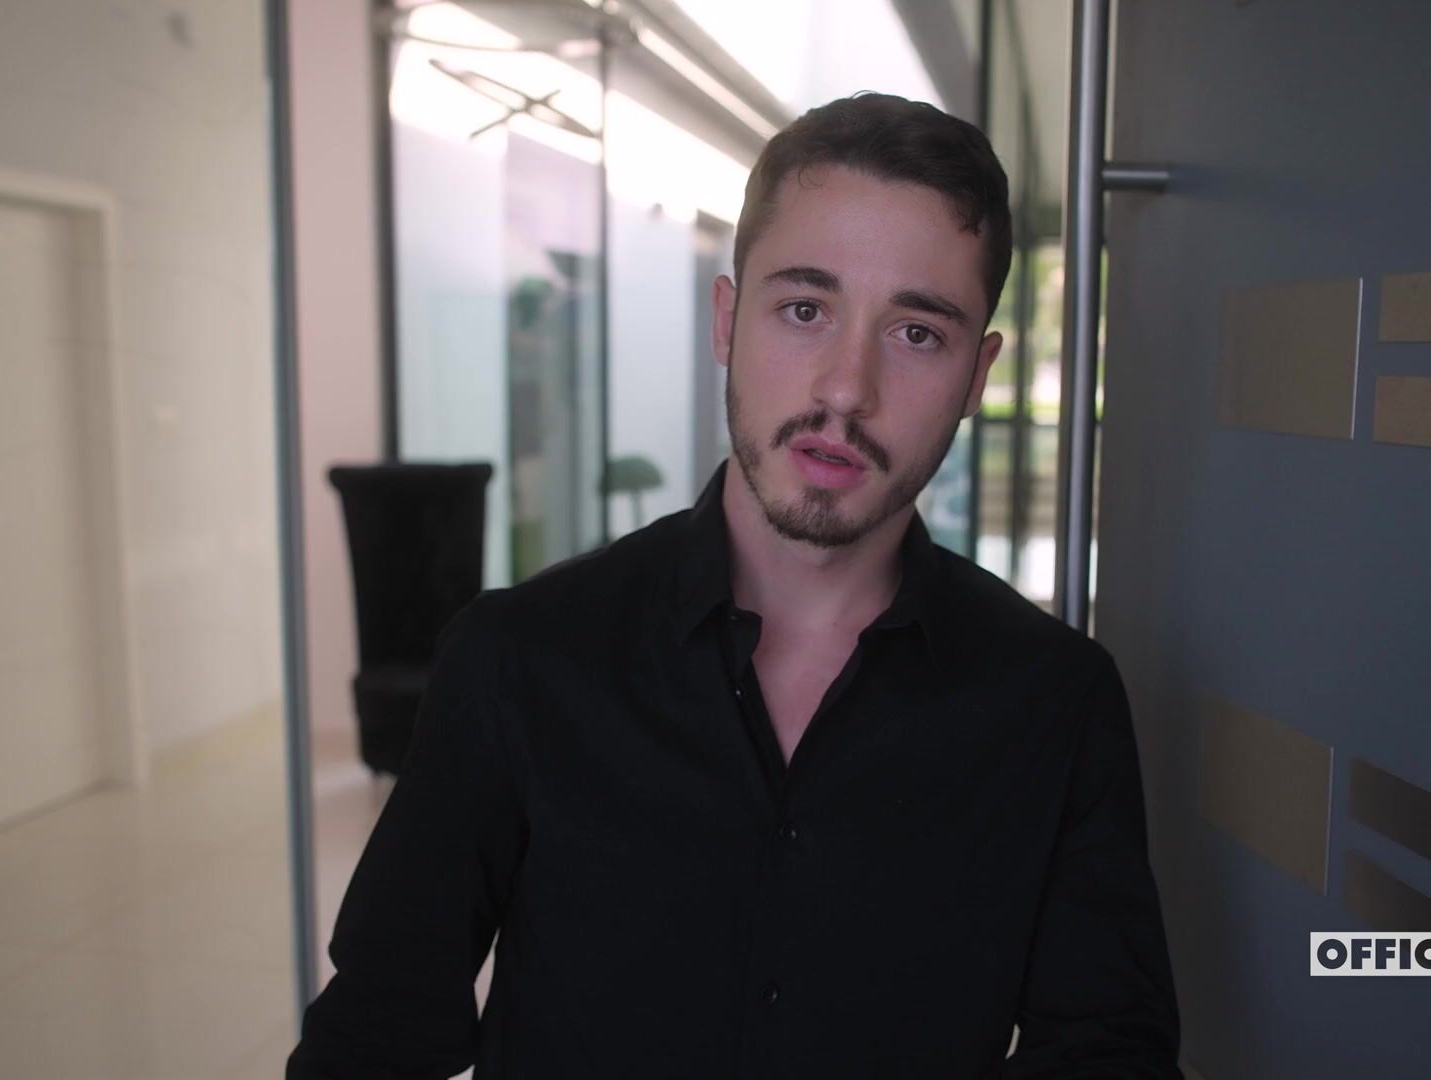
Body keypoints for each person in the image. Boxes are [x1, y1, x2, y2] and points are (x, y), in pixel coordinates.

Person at [287, 91, 1181, 1079]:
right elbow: (372, 1040)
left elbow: (1109, 1054)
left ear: (977, 377)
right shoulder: (520, 661)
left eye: (917, 333)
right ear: (726, 320)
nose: (846, 388)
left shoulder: (1054, 703)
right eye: (805, 310)